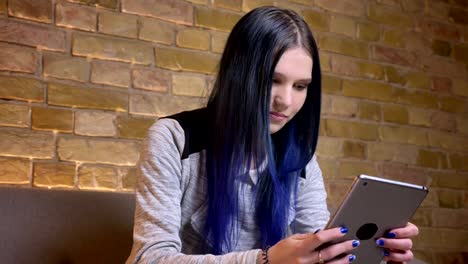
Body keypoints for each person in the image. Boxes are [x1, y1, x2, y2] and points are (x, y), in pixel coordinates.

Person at [126, 6, 418, 264]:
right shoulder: (175, 139)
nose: (286, 101)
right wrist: (266, 260)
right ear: (238, 75)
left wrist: (374, 257)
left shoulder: (301, 160)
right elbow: (149, 258)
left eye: (300, 86)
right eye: (272, 80)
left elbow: (316, 247)